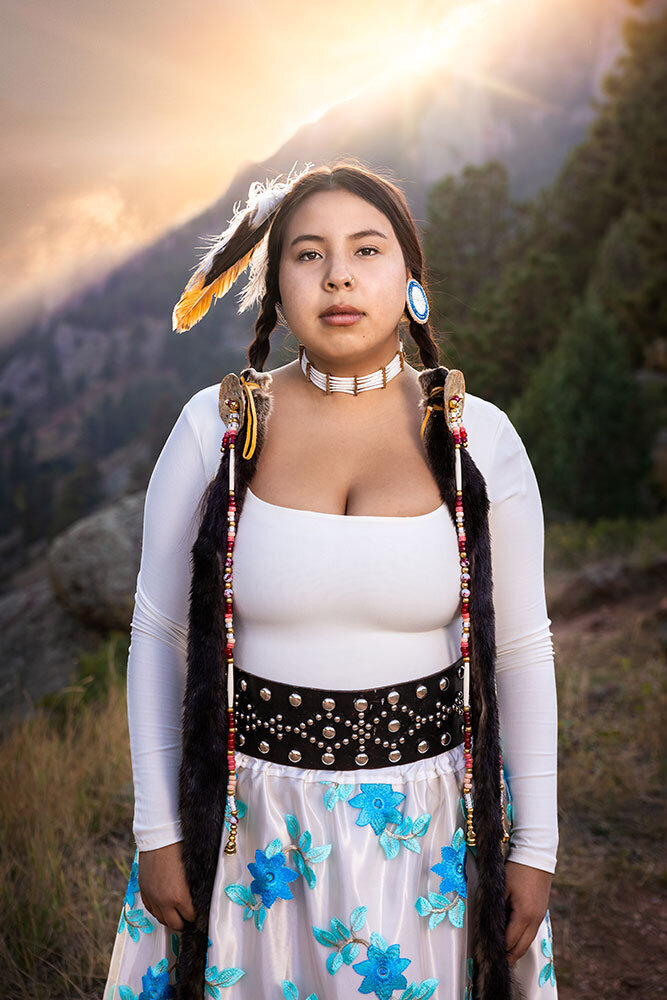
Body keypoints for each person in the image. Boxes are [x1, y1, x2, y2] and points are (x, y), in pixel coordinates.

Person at [102, 161, 559, 1000]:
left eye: (366, 249)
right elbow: (159, 636)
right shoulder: (216, 429)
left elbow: (524, 650)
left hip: (429, 838)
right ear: (274, 287)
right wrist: (158, 829)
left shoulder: (476, 440)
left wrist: (535, 847)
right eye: (308, 254)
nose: (339, 274)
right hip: (248, 833)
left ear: (410, 280)